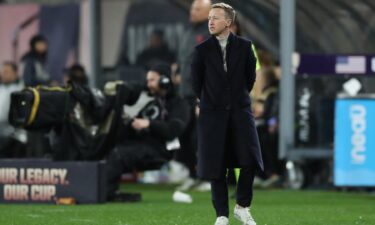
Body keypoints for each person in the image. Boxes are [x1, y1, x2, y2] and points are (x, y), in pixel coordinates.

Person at [191, 3, 263, 225]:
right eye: (209, 17)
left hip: (240, 112)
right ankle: (221, 214)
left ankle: (242, 207)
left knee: (250, 160)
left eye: (216, 18)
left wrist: (236, 99)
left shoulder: (245, 47)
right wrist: (210, 103)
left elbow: (250, 79)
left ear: (228, 23)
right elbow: (196, 84)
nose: (210, 21)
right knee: (216, 166)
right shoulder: (201, 51)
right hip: (212, 114)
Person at [106, 63, 190, 201]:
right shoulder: (148, 99)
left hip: (158, 149)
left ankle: (106, 194)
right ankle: (106, 192)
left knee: (119, 154)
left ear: (164, 80)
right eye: (148, 80)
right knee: (107, 147)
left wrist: (149, 123)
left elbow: (173, 130)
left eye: (152, 80)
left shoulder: (179, 104)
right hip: (139, 144)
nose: (148, 84)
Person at [174, 0, 212, 192]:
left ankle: (209, 177)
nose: (192, 11)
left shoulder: (211, 32)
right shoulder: (189, 31)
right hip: (184, 94)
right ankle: (192, 173)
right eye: (192, 8)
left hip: (202, 95)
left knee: (203, 138)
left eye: (197, 9)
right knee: (185, 136)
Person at [0, 62, 26, 157]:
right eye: (2, 71)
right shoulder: (1, 89)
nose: (3, 74)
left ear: (15, 73)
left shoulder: (21, 90)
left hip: (14, 134)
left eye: (6, 71)